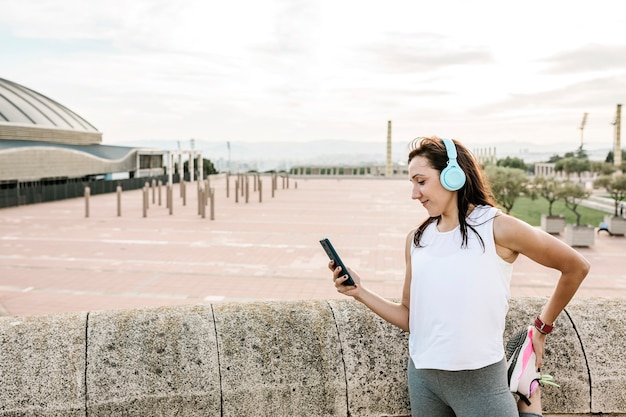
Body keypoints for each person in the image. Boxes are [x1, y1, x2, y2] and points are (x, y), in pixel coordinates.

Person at [328, 136, 590, 417]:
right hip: (424, 380)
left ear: (453, 176)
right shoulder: (416, 240)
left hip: (480, 383)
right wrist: (359, 291)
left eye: (421, 181)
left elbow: (575, 267)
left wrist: (541, 328)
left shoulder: (497, 228)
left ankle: (529, 388)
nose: (414, 194)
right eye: (412, 183)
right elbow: (409, 317)